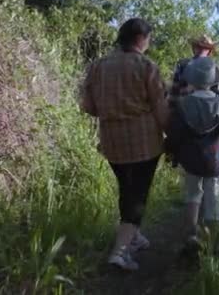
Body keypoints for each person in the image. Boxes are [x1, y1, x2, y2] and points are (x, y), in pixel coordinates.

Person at [79, 18, 168, 271]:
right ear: (141, 39)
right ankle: (119, 253)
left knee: (126, 189)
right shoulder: (146, 66)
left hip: (112, 142)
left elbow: (88, 106)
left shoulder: (98, 66)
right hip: (144, 143)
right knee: (136, 197)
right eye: (148, 39)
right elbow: (161, 108)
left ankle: (133, 236)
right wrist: (172, 135)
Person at [164, 57, 219, 253]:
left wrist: (172, 153)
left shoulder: (182, 105)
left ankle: (191, 235)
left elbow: (174, 134)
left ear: (189, 80)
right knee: (213, 200)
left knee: (192, 195)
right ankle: (212, 241)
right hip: (217, 161)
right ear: (214, 81)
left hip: (191, 162)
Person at [168, 35, 219, 107]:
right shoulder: (183, 65)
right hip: (183, 108)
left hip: (207, 109)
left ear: (209, 51)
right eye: (199, 46)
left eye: (206, 48)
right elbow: (174, 90)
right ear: (194, 48)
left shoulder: (215, 70)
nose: (202, 50)